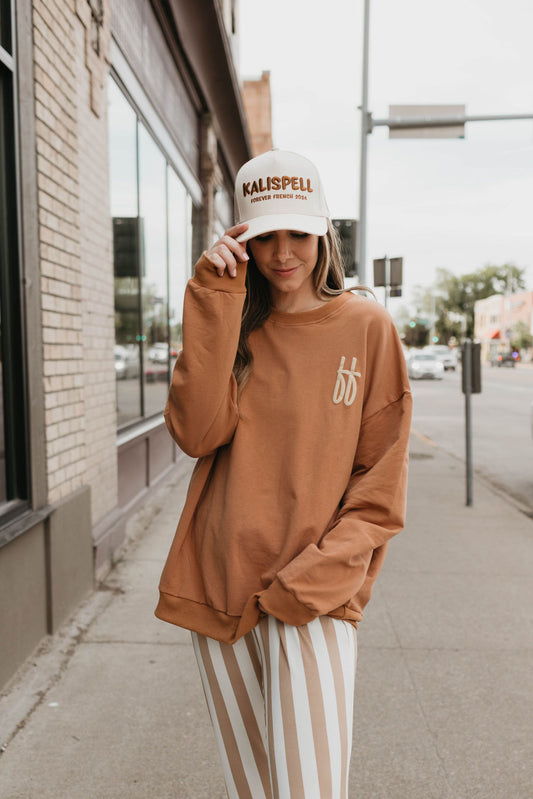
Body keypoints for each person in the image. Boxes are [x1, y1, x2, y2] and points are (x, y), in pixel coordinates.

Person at [155, 149, 412, 799]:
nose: (282, 252)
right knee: (256, 790)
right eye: (264, 235)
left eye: (297, 232)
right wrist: (213, 298)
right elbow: (196, 433)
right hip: (221, 582)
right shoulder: (233, 323)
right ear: (242, 239)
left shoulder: (367, 327)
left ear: (323, 233)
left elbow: (379, 488)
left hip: (314, 592)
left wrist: (318, 575)